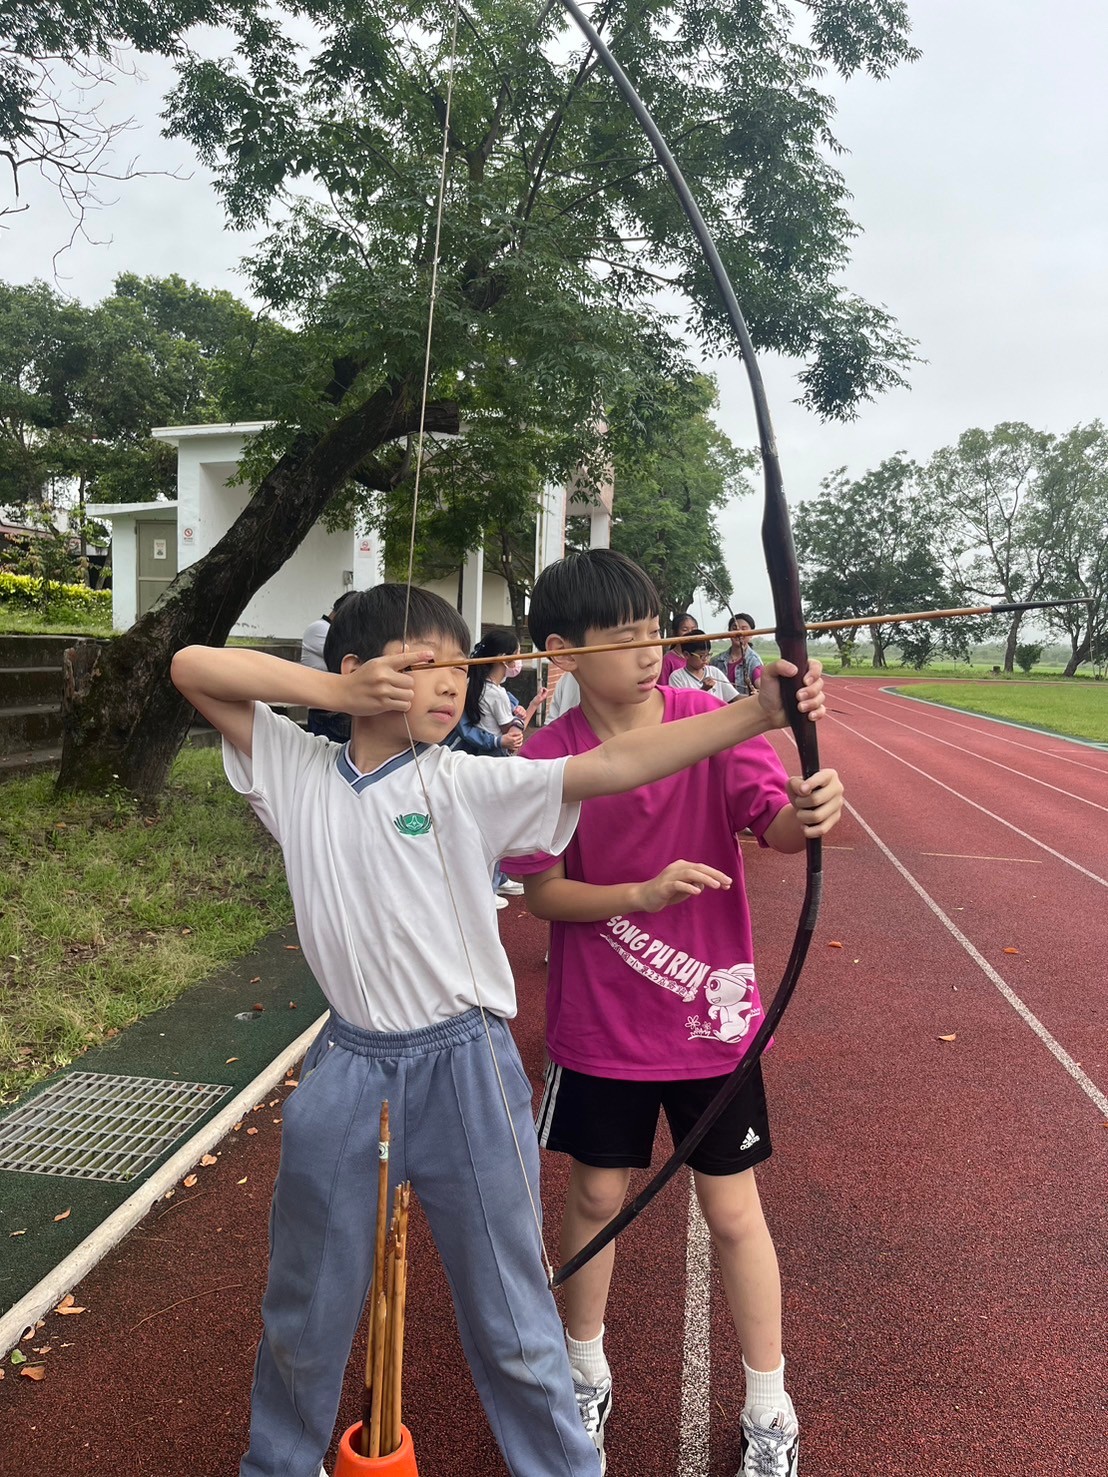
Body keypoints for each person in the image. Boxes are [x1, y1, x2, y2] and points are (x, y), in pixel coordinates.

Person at [170, 581, 828, 1477]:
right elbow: (192, 668)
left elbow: (613, 768)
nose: (449, 686)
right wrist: (337, 694)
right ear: (361, 672)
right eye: (422, 667)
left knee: (513, 1310)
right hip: (349, 1060)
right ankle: (281, 1463)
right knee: (306, 1301)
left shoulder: (468, 779)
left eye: (460, 668)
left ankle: (560, 1466)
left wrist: (754, 711)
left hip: (463, 1064)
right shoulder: (293, 766)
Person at [503, 550, 843, 1477]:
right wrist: (640, 894)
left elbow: (771, 826)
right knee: (595, 1195)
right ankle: (583, 1371)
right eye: (625, 638)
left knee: (734, 1212)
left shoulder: (710, 719)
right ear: (563, 653)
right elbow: (542, 897)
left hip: (712, 1026)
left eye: (656, 629)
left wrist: (810, 810)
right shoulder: (545, 758)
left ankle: (769, 1404)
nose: (652, 651)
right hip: (602, 1028)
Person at [465, 629, 549, 902]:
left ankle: (497, 879)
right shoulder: (496, 694)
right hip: (495, 765)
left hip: (483, 763)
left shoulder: (483, 687)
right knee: (495, 827)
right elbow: (513, 734)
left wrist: (530, 706)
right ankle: (486, 889)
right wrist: (529, 711)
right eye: (515, 654)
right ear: (502, 659)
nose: (518, 659)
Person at [301, 591, 358, 741]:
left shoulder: (336, 631)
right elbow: (345, 656)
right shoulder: (319, 628)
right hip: (324, 713)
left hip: (339, 712)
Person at [669, 628, 740, 702]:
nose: (706, 659)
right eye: (701, 656)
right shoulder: (677, 677)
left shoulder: (714, 672)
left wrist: (752, 697)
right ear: (686, 655)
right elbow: (682, 706)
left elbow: (735, 697)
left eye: (708, 655)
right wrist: (703, 690)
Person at [723, 613, 764, 696]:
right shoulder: (717, 660)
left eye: (744, 629)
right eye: (734, 628)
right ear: (729, 632)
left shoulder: (754, 661)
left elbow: (760, 684)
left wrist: (760, 692)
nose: (739, 632)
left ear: (751, 633)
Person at [659, 611, 698, 685]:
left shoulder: (701, 656)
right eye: (685, 630)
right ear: (675, 632)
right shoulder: (668, 660)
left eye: (693, 629)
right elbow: (663, 686)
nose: (690, 633)